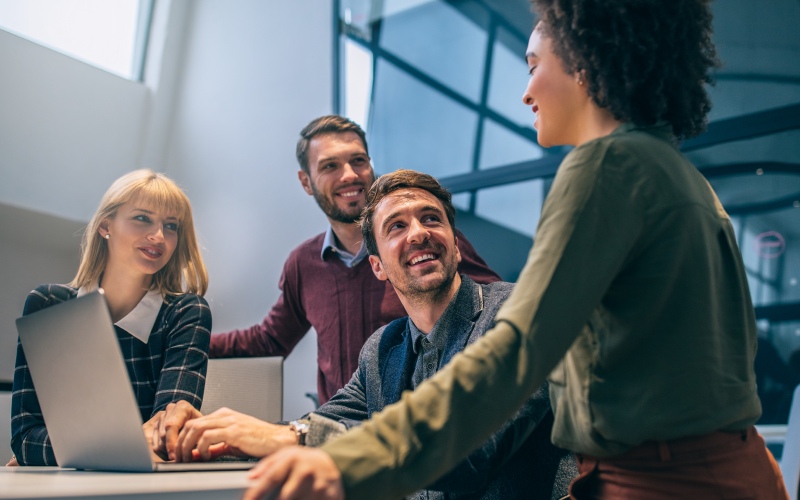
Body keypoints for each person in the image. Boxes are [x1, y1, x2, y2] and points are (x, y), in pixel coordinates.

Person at [241, 1, 790, 499]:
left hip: (665, 483)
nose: (526, 92)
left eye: (533, 66)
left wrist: (352, 459)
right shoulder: (669, 170)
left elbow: (518, 353)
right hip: (720, 471)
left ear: (584, 59)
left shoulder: (606, 167)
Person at [151, 170, 576, 499]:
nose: (418, 232)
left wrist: (289, 438)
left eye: (431, 219)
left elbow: (471, 452)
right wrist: (226, 437)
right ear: (377, 267)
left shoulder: (516, 312)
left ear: (456, 244)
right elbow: (324, 424)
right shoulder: (382, 349)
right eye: (396, 226)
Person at [210, 115, 501, 405]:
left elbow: (491, 311)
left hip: (417, 431)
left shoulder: (427, 244)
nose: (349, 174)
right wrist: (184, 339)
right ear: (306, 181)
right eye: (330, 166)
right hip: (337, 425)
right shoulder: (302, 264)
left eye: (359, 161)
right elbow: (269, 340)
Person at [9, 170, 211, 467]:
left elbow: (168, 438)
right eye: (143, 218)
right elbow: (25, 438)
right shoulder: (48, 305)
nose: (159, 236)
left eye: (171, 226)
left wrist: (60, 449)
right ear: (106, 226)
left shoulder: (186, 312)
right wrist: (129, 443)